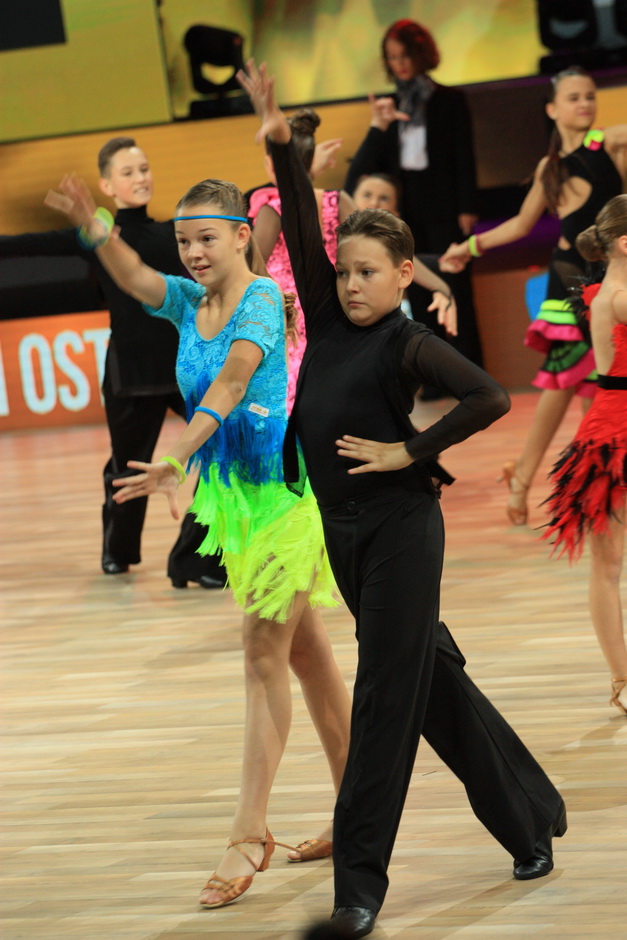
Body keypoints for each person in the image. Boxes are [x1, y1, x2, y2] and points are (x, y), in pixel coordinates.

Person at [238, 60, 568, 940]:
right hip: (343, 535)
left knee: (385, 699)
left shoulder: (404, 341)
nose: (351, 284)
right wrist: (281, 138)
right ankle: (531, 818)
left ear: (403, 274)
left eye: (368, 273)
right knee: (433, 687)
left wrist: (410, 450)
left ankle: (357, 889)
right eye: (344, 271)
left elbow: (489, 397)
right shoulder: (321, 308)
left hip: (401, 531)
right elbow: (298, 221)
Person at [45, 171, 352, 906]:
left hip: (283, 495)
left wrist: (179, 453)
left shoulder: (259, 300)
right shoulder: (190, 301)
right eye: (184, 242)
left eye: (206, 238)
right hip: (237, 502)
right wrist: (95, 227)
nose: (193, 253)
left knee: (261, 653)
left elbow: (233, 383)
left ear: (242, 236)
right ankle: (360, 806)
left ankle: (248, 831)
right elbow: (134, 276)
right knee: (306, 655)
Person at [0, 137, 225, 587]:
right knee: (128, 467)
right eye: (127, 172)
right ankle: (117, 552)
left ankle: (194, 559)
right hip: (131, 374)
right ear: (107, 185)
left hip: (186, 369)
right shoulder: (95, 236)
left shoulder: (177, 233)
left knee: (222, 454)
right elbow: (22, 243)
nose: (140, 178)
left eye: (144, 168)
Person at [440, 68, 627, 526]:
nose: (584, 104)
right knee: (572, 382)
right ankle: (547, 480)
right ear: (552, 108)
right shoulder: (550, 168)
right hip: (568, 279)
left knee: (589, 386)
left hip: (610, 276)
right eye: (573, 97)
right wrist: (469, 247)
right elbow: (522, 225)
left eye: (589, 96)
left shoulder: (610, 143)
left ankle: (576, 480)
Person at [343, 18, 483, 373]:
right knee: (416, 288)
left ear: (421, 55)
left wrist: (467, 205)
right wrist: (380, 123)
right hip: (403, 208)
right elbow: (370, 166)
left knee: (454, 286)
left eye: (405, 55)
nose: (399, 64)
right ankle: (432, 375)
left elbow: (464, 156)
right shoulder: (389, 105)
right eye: (392, 57)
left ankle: (469, 370)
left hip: (445, 205)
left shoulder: (449, 100)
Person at [542, 195, 627, 717]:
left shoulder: (603, 290)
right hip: (616, 429)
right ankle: (622, 678)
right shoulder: (618, 295)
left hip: (612, 421)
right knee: (608, 563)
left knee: (608, 564)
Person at [248, 107, 356, 410]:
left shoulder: (272, 209)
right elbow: (376, 249)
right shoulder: (337, 200)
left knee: (293, 402)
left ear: (270, 163)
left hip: (290, 321)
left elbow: (249, 270)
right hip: (335, 312)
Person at [351, 170, 457, 335]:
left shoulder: (405, 264)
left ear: (395, 214)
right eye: (367, 195)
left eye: (384, 198)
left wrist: (439, 268)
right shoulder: (329, 244)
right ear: (349, 202)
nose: (374, 203)